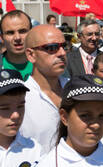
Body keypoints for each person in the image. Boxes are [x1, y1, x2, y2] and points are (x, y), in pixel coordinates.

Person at [19, 25, 67, 153]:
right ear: (31, 55)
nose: (62, 53)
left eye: (64, 46)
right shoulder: (20, 99)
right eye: (52, 48)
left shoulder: (74, 90)